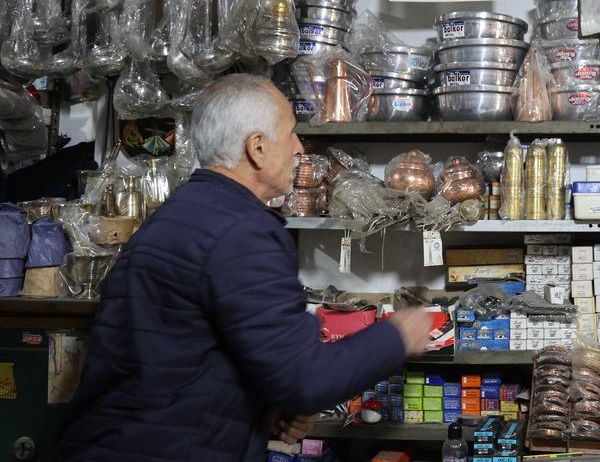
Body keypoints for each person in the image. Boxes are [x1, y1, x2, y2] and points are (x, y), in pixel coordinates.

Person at [56, 74, 431, 461]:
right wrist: (397, 335)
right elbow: (306, 378)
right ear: (257, 148)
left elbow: (181, 357)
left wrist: (262, 408)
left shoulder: (179, 215)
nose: (299, 147)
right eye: (291, 133)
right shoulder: (241, 232)